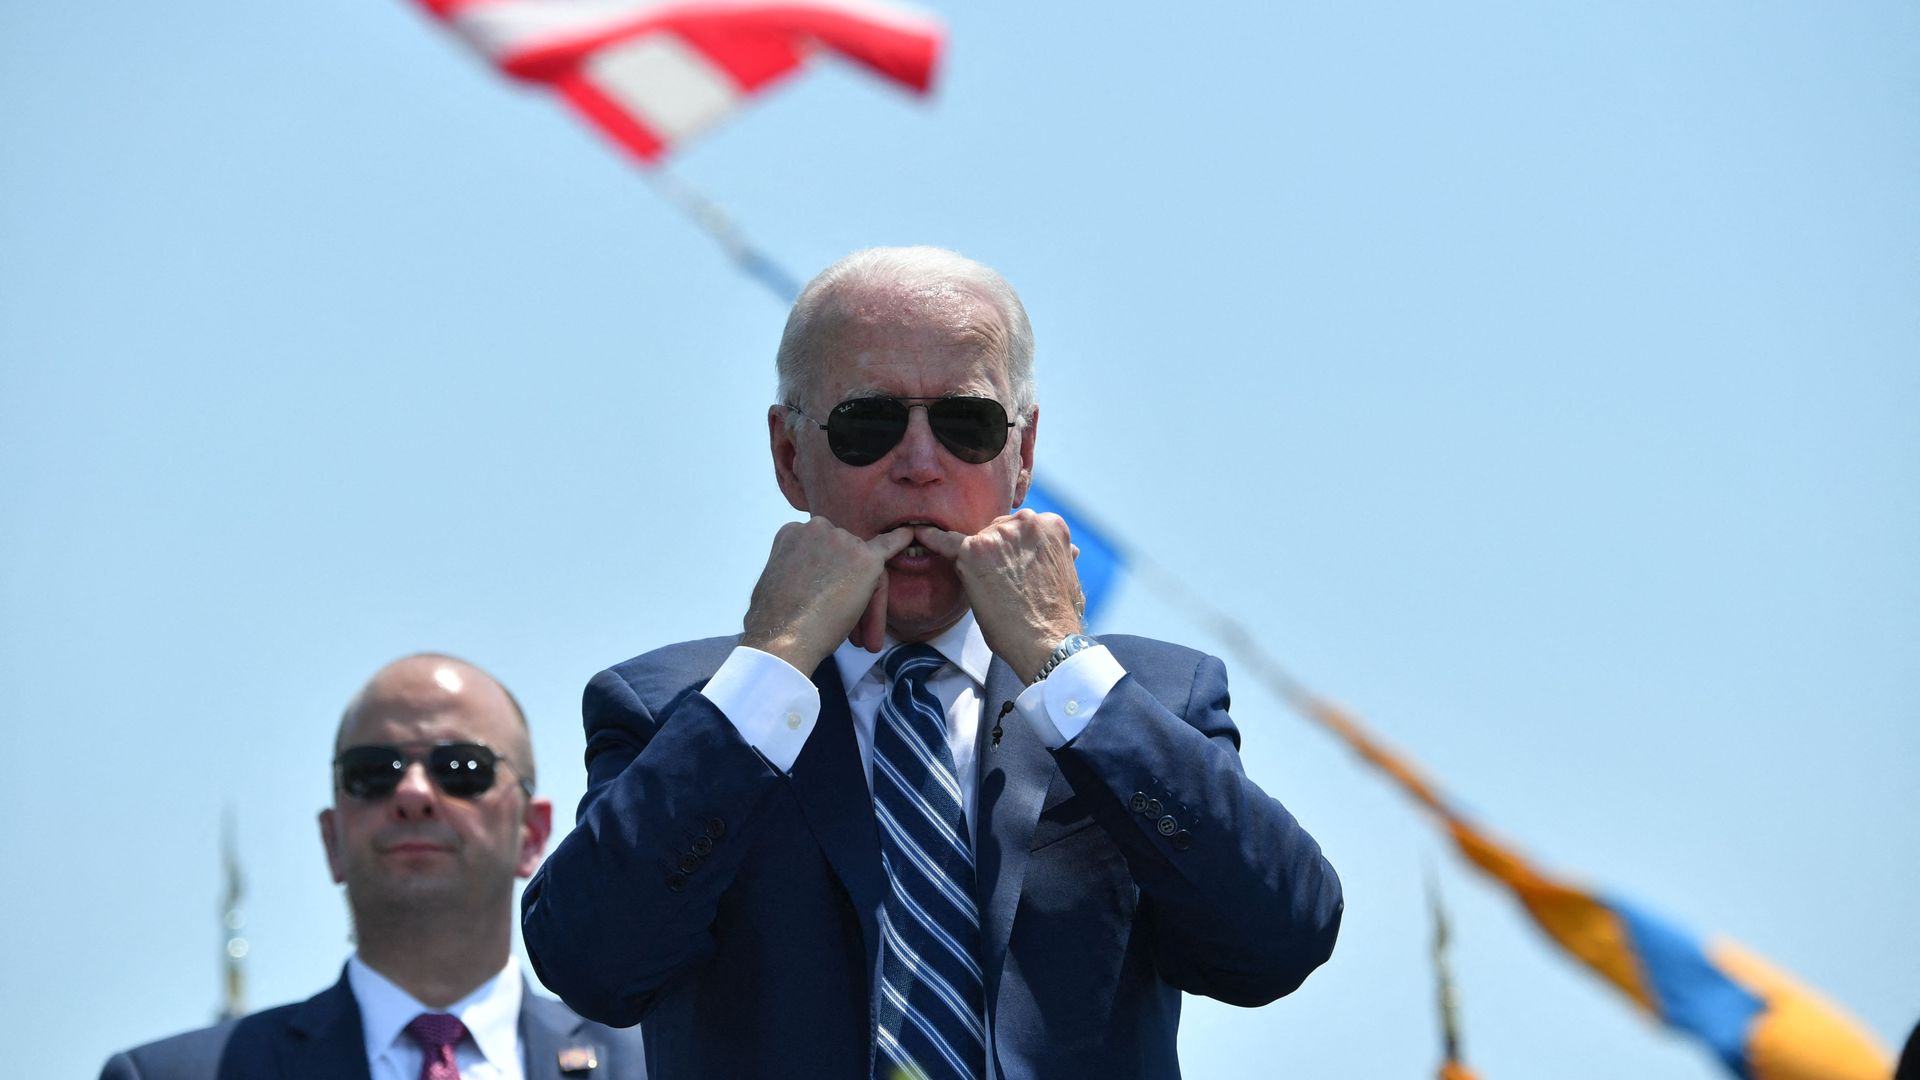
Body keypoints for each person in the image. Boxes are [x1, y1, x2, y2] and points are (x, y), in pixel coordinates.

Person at [522, 246, 1343, 1080]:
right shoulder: (674, 708)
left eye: (967, 424)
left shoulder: (1152, 701)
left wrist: (1067, 667)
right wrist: (768, 670)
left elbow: (1278, 940)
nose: (919, 463)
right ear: (787, 455)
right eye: (868, 424)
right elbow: (590, 961)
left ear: (1021, 456)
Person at [101, 654, 646, 1080]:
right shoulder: (166, 1076)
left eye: (461, 768)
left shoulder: (662, 1067)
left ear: (532, 832)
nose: (412, 793)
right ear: (332, 838)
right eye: (372, 772)